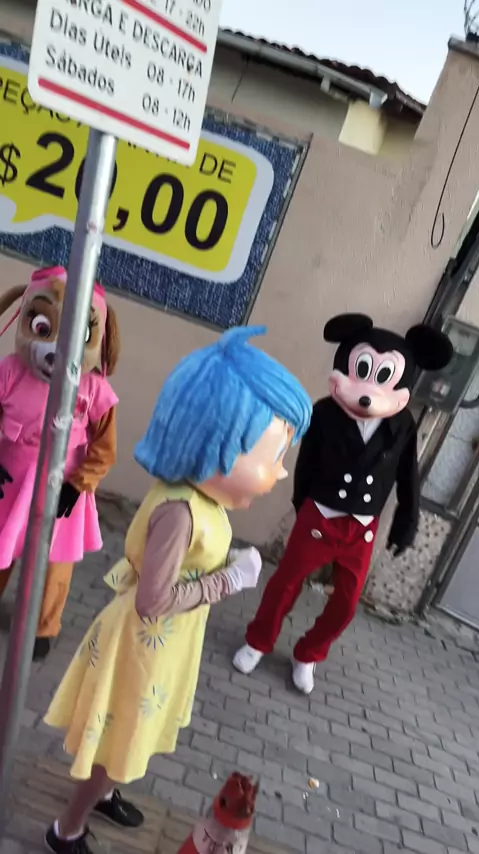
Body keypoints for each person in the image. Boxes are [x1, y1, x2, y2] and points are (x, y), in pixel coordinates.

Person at [42, 325, 312, 854]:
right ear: (215, 441)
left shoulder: (197, 502)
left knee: (130, 736)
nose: (280, 474)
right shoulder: (180, 512)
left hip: (165, 646)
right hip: (141, 646)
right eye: (273, 455)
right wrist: (228, 580)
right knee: (116, 746)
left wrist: (222, 566)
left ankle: (105, 793)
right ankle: (66, 829)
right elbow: (153, 600)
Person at [233, 313, 453, 695]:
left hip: (362, 528)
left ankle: (308, 654)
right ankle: (258, 641)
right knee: (285, 584)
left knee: (347, 603)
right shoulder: (324, 412)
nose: (368, 391)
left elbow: (408, 474)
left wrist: (407, 521)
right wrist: (303, 503)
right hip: (320, 515)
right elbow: (306, 462)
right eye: (363, 371)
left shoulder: (402, 425)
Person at [0, 265, 119, 661]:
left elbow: (104, 448)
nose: (56, 347)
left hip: (62, 483)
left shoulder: (94, 389)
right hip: (10, 476)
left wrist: (79, 483)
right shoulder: (10, 372)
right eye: (42, 327)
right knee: (1, 543)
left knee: (54, 562)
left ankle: (43, 625)